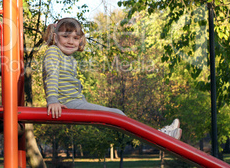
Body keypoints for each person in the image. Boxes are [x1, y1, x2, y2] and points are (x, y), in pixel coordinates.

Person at [42, 17, 182, 140]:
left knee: (119, 118)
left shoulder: (69, 58)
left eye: (75, 38)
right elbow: (51, 75)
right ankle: (160, 135)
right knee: (117, 114)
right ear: (55, 38)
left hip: (75, 102)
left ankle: (159, 135)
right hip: (68, 104)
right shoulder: (54, 51)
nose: (70, 41)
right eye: (65, 36)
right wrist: (53, 100)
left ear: (80, 41)